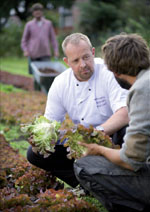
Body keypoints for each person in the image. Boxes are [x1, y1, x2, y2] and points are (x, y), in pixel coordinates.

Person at [27, 33, 129, 188]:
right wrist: (41, 136)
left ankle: (124, 182)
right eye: (76, 60)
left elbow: (124, 112)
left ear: (93, 53)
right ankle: (86, 184)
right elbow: (51, 121)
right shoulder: (60, 83)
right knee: (35, 153)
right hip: (82, 142)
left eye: (86, 57)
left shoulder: (109, 72)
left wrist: (97, 133)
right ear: (67, 62)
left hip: (112, 135)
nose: (83, 64)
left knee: (128, 132)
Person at [74, 33, 150, 212]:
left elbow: (130, 161)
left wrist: (98, 149)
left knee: (83, 165)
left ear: (115, 72)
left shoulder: (142, 89)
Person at [21, 3, 59, 74]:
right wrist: (25, 50)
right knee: (35, 75)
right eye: (35, 10)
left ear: (42, 12)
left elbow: (53, 39)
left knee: (47, 73)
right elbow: (24, 40)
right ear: (33, 13)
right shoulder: (29, 25)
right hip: (33, 55)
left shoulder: (48, 24)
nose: (37, 12)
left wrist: (56, 50)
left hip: (45, 54)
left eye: (39, 10)